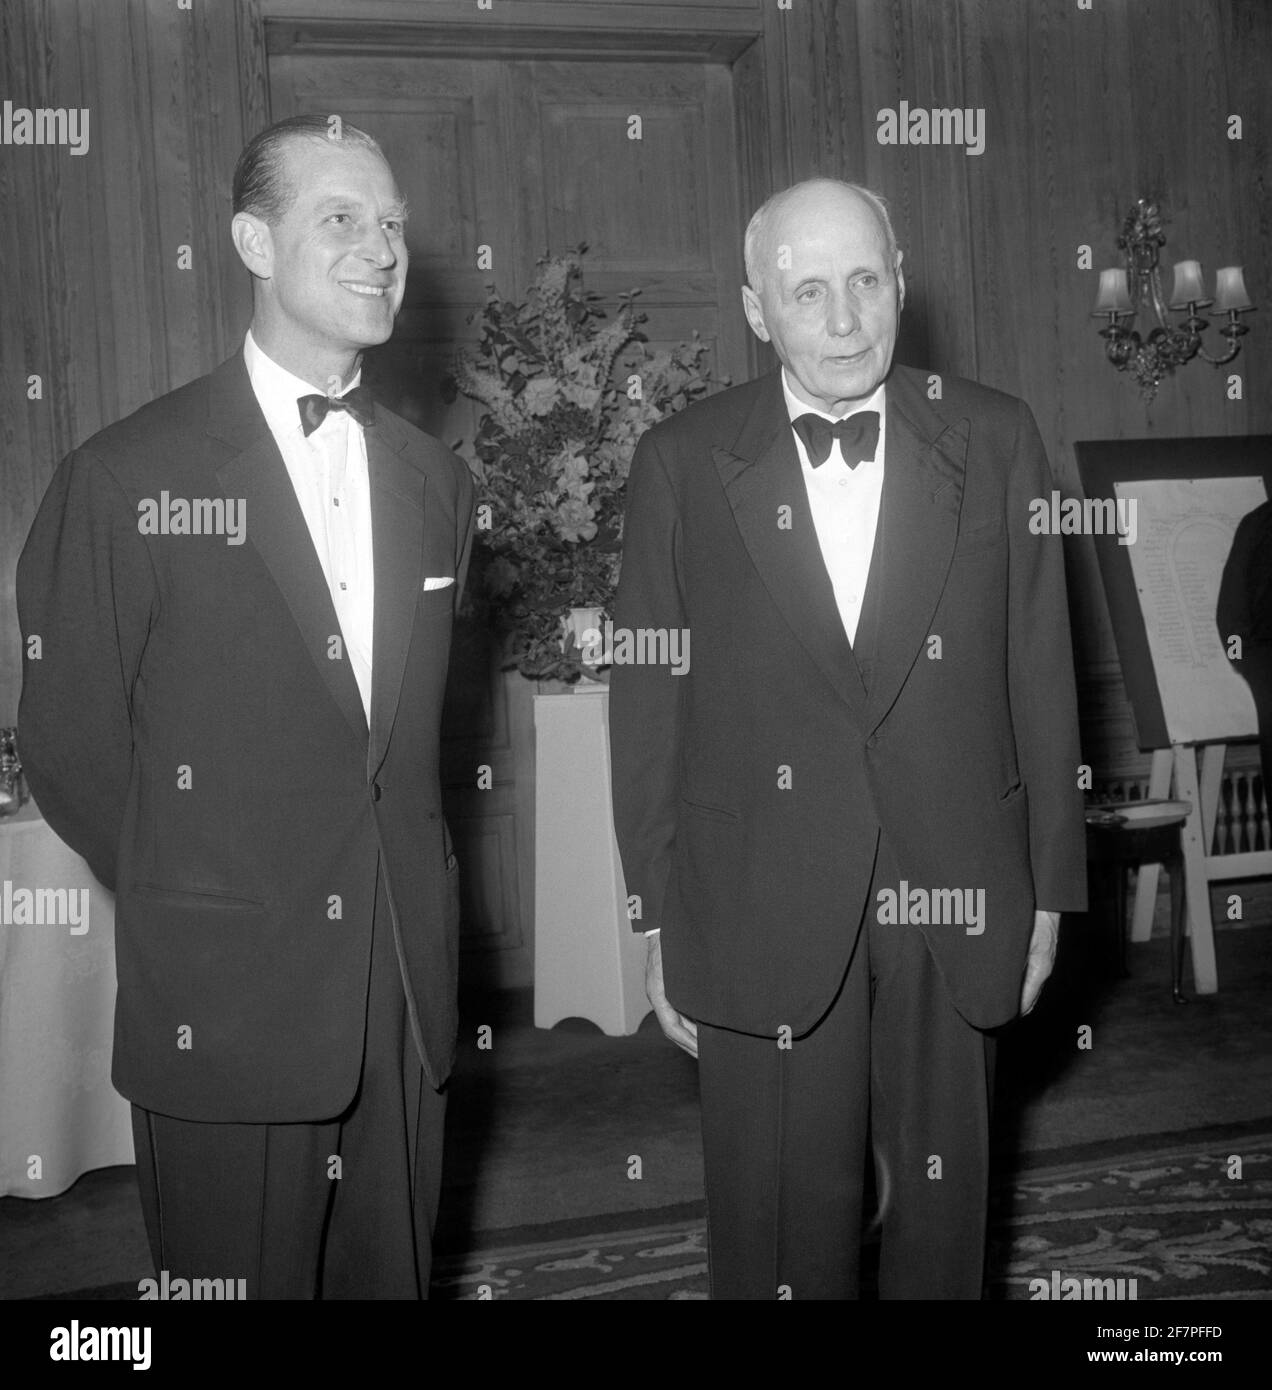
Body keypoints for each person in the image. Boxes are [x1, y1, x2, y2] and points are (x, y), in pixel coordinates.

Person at [17, 114, 475, 1299]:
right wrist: (215, 898)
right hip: (222, 1007)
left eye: (392, 224)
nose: (381, 247)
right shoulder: (123, 478)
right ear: (252, 243)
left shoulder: (437, 484)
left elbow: (403, 750)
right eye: (342, 218)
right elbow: (71, 750)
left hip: (406, 995)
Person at [608, 178, 1086, 1299]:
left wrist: (1053, 886)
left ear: (902, 288)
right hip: (754, 897)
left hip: (958, 889)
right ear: (756, 310)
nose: (842, 316)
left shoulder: (998, 436)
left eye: (866, 281)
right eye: (806, 289)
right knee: (778, 1237)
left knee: (942, 1230)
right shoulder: (680, 461)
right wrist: (654, 907)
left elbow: (1042, 673)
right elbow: (648, 705)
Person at [1217, 498, 1272, 794]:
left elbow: (1230, 621)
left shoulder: (1256, 522)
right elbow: (1232, 623)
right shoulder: (1259, 523)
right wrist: (1254, 670)